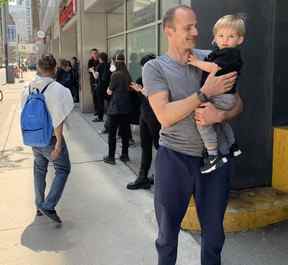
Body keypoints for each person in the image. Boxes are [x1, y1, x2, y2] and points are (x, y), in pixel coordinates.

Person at [143, 5, 242, 265]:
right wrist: (203, 92)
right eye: (189, 28)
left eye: (196, 26)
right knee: (167, 237)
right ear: (169, 31)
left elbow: (238, 102)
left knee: (213, 238)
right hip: (174, 159)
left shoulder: (212, 57)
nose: (196, 32)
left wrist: (219, 116)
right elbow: (164, 114)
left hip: (215, 161)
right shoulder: (155, 68)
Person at [187, 14, 245, 174]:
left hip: (221, 96)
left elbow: (214, 68)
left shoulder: (230, 54)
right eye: (221, 35)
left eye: (231, 36)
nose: (225, 39)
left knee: (202, 121)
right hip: (226, 96)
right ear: (214, 37)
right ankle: (233, 146)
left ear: (239, 40)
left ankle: (213, 155)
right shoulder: (222, 52)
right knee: (219, 122)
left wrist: (196, 62)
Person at [20, 54, 74, 223]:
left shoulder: (28, 88)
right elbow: (58, 119)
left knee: (39, 169)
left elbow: (24, 111)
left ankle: (39, 205)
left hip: (33, 136)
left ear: (38, 68)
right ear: (54, 69)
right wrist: (58, 143)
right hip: (50, 138)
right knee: (63, 169)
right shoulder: (58, 89)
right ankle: (48, 205)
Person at [127, 53, 160, 190]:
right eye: (142, 68)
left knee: (161, 148)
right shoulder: (141, 79)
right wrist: (137, 91)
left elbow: (159, 100)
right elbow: (139, 100)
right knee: (145, 147)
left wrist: (142, 90)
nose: (143, 71)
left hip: (157, 119)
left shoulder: (160, 80)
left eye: (145, 67)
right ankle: (143, 177)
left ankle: (160, 177)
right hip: (144, 117)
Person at [103, 54, 132, 165]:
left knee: (112, 134)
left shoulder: (115, 75)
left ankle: (111, 157)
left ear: (115, 62)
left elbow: (109, 91)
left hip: (115, 108)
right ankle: (125, 155)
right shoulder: (127, 74)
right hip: (126, 107)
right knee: (125, 133)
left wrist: (109, 89)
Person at [92, 52, 111, 122]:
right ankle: (110, 117)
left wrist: (92, 71)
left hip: (100, 86)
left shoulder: (99, 66)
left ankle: (100, 117)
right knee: (109, 101)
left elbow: (96, 76)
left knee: (100, 102)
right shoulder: (109, 65)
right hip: (108, 86)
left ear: (100, 59)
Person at [88, 48, 99, 116]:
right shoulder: (90, 61)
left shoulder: (99, 60)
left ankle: (100, 109)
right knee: (94, 95)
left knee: (99, 95)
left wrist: (93, 69)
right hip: (93, 80)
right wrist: (92, 70)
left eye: (95, 53)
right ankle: (96, 110)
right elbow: (89, 70)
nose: (95, 54)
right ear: (91, 54)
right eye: (93, 53)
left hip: (99, 80)